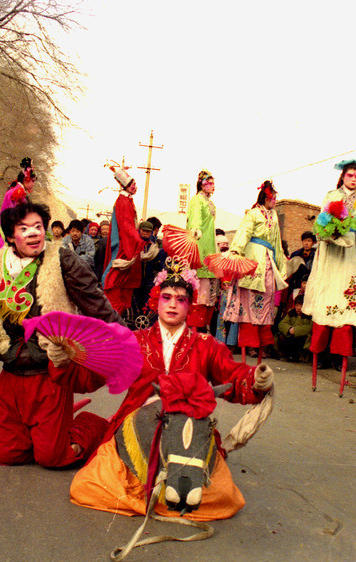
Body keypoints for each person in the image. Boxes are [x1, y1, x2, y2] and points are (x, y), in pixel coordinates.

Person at [69, 264, 272, 520]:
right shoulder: (134, 341)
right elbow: (94, 374)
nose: (173, 304)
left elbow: (232, 374)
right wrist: (69, 358)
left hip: (189, 429)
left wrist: (256, 379)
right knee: (88, 486)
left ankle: (162, 494)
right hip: (135, 424)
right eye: (166, 297)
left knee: (224, 498)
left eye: (181, 299)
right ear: (156, 301)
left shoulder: (206, 345)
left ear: (190, 305)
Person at [0, 201, 122, 467]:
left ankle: (87, 425)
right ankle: (43, 433)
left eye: (38, 227)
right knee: (6, 455)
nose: (34, 233)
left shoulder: (63, 259)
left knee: (53, 457)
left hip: (50, 375)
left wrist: (126, 340)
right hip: (10, 376)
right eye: (24, 228)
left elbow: (95, 303)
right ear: (10, 236)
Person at [302, 160, 356, 389]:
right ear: (343, 177)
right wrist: (330, 234)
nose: (354, 179)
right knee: (327, 297)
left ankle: (342, 361)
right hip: (333, 249)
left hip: (354, 250)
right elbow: (321, 222)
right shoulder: (331, 196)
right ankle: (319, 354)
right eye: (350, 175)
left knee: (348, 304)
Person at [224, 180, 287, 362]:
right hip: (253, 255)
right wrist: (237, 250)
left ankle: (260, 343)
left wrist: (280, 265)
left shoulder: (274, 215)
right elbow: (244, 232)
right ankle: (246, 344)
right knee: (249, 294)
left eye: (275, 198)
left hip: (268, 256)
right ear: (264, 197)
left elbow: (277, 242)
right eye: (272, 198)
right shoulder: (253, 213)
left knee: (267, 291)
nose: (274, 201)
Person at [101, 166, 143, 313]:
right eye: (133, 185)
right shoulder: (123, 202)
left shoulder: (126, 200)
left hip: (126, 242)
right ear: (125, 186)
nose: (135, 187)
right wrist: (138, 241)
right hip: (123, 244)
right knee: (115, 279)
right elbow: (126, 226)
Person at [186, 170, 219, 330]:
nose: (212, 186)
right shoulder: (197, 200)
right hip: (200, 246)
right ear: (201, 184)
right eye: (209, 183)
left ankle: (203, 329)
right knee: (200, 294)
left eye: (213, 183)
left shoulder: (210, 203)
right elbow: (196, 217)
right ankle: (193, 330)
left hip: (210, 248)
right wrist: (195, 229)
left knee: (209, 296)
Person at [0, 157, 36, 255]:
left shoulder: (17, 191)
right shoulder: (17, 193)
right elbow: (14, 215)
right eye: (32, 181)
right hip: (10, 229)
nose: (33, 184)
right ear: (25, 179)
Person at [277, 295, 311, 362]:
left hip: (302, 338)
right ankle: (286, 354)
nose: (299, 308)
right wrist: (289, 329)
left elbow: (310, 328)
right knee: (282, 337)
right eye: (297, 305)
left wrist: (296, 330)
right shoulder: (291, 313)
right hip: (291, 336)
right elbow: (282, 324)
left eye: (301, 305)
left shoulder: (309, 316)